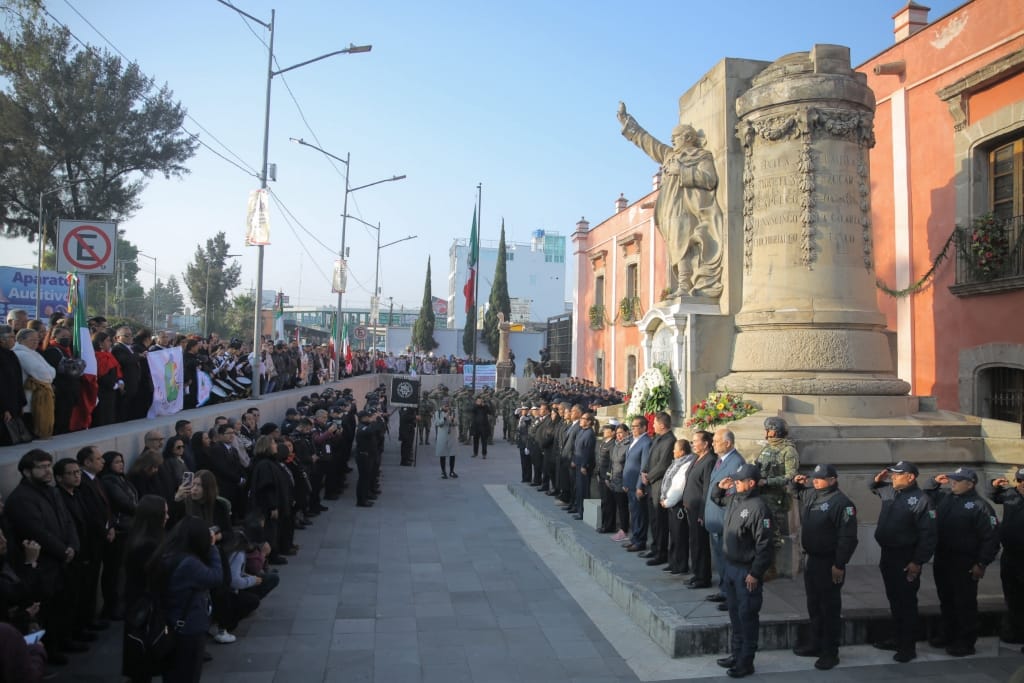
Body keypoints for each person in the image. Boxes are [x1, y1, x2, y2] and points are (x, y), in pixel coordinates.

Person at [617, 102, 724, 298]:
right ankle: (682, 285)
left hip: (686, 210)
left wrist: (682, 171)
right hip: (668, 213)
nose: (672, 139)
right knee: (675, 248)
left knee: (683, 245)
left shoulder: (701, 156)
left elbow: (710, 180)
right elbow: (649, 143)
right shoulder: (668, 156)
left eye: (676, 136)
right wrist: (628, 124)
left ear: (688, 138)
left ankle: (684, 285)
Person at [3, 449, 80, 662]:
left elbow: (67, 520)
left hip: (62, 559)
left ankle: (66, 641)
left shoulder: (52, 491)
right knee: (47, 610)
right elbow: (36, 531)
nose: (47, 470)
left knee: (64, 605)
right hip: (44, 564)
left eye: (49, 465)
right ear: (27, 472)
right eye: (42, 467)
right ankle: (50, 652)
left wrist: (72, 545)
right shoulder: (21, 498)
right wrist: (62, 550)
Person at [788, 464, 859, 670]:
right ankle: (815, 643)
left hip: (829, 562)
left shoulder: (842, 503)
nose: (815, 481)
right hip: (812, 559)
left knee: (829, 608)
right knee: (814, 605)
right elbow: (796, 493)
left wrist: (839, 564)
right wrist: (795, 483)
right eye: (814, 478)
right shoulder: (812, 495)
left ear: (833, 480)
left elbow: (848, 537)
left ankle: (830, 652)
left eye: (820, 478)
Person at [924, 467, 999, 657]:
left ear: (970, 483)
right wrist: (933, 482)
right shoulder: (946, 498)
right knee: (946, 600)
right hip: (943, 558)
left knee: (964, 603)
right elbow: (926, 496)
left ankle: (965, 641)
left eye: (958, 480)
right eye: (952, 480)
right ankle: (948, 635)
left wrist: (981, 563)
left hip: (965, 562)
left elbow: (991, 538)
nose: (953, 483)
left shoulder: (980, 506)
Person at [869, 460, 937, 663]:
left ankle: (908, 647)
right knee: (894, 600)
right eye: (892, 474)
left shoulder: (922, 500)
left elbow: (929, 535)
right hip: (888, 555)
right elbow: (874, 488)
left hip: (906, 557)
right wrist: (876, 480)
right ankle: (897, 638)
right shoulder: (890, 491)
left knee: (906, 602)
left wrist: (918, 561)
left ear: (910, 477)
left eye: (898, 474)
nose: (893, 477)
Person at [711, 463, 773, 679]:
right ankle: (736, 654)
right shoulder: (736, 499)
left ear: (751, 483)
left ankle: (746, 661)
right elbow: (717, 499)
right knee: (735, 615)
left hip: (746, 570)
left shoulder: (758, 508)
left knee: (747, 616)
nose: (735, 483)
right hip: (730, 567)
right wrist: (720, 487)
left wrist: (755, 573)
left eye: (739, 481)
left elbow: (765, 545)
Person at [149, 516, 224, 683]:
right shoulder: (188, 564)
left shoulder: (167, 554)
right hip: (188, 628)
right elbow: (216, 577)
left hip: (171, 622)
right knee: (188, 675)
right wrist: (212, 548)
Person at [122, 495, 168, 683]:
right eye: (164, 513)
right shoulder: (147, 545)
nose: (167, 516)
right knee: (143, 649)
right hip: (145, 604)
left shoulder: (139, 537)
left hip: (139, 601)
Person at [704, 429, 745, 607]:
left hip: (724, 519)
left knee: (728, 560)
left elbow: (733, 494)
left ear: (727, 443)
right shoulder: (721, 461)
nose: (713, 443)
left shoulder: (736, 462)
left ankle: (732, 596)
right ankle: (724, 590)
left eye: (716, 440)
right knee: (720, 559)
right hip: (714, 519)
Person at [755, 416, 799, 575]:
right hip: (761, 496)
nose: (767, 432)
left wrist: (767, 482)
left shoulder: (788, 450)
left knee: (772, 534)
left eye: (769, 429)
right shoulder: (767, 447)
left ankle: (771, 568)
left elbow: (790, 476)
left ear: (777, 431)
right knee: (760, 532)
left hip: (775, 498)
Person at [100, 450, 138, 620]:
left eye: (122, 461)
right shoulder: (108, 481)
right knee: (115, 572)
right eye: (116, 462)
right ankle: (113, 608)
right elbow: (124, 503)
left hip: (129, 528)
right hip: (120, 530)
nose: (121, 464)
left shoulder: (122, 479)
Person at [991, 467, 1024, 650]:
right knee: (1013, 596)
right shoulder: (1010, 494)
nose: (1022, 485)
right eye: (1020, 481)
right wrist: (994, 486)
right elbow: (994, 496)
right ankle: (1016, 632)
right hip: (1011, 555)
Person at [640, 412, 676, 567]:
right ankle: (654, 547)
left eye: (654, 423)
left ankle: (661, 552)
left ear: (662, 425)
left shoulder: (670, 440)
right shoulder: (657, 438)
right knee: (653, 520)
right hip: (651, 483)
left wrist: (649, 476)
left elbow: (663, 464)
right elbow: (650, 458)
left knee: (660, 521)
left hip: (659, 484)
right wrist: (644, 471)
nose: (652, 425)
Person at [683, 430, 716, 589]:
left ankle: (703, 577)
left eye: (696, 441)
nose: (693, 444)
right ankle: (696, 573)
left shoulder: (709, 460)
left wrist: (703, 512)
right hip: (690, 507)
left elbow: (706, 488)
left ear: (705, 443)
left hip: (699, 509)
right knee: (694, 542)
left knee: (700, 543)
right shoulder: (697, 458)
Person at [660, 439, 695, 576]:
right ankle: (673, 562)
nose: (673, 451)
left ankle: (680, 565)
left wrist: (668, 501)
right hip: (670, 503)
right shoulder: (677, 462)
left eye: (675, 449)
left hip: (677, 505)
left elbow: (679, 486)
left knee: (679, 536)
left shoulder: (686, 463)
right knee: (673, 536)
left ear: (682, 451)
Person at [12, 329, 55, 439]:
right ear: (21, 340)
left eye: (37, 339)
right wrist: (48, 376)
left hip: (40, 395)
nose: (36, 342)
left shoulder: (34, 353)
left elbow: (52, 372)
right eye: (32, 340)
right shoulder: (21, 354)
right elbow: (43, 374)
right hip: (30, 398)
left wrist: (48, 376)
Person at [622, 416, 652, 553]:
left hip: (637, 485)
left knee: (640, 514)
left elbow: (644, 466)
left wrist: (640, 486)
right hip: (630, 483)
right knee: (633, 513)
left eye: (635, 426)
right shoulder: (634, 441)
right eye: (632, 426)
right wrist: (625, 481)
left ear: (644, 427)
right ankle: (634, 538)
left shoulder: (646, 442)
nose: (632, 429)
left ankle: (640, 541)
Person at [0, 325, 27, 447]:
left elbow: (17, 381)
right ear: (2, 339)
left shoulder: (11, 355)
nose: (14, 340)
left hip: (14, 403)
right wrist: (4, 408)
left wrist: (21, 403)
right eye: (11, 337)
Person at [569, 413, 596, 520]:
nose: (581, 420)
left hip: (584, 466)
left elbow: (587, 451)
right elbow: (577, 448)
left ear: (589, 421)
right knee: (579, 489)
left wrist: (584, 465)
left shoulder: (589, 433)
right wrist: (574, 460)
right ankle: (580, 510)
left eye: (583, 418)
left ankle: (584, 512)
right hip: (578, 463)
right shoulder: (581, 431)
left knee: (583, 490)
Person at [608, 423, 632, 543]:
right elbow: (612, 463)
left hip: (623, 481)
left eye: (621, 433)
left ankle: (624, 530)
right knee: (619, 506)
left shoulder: (628, 445)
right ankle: (622, 528)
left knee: (623, 507)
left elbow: (627, 465)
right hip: (615, 479)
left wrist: (625, 482)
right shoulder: (617, 444)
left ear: (627, 432)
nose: (619, 435)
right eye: (617, 433)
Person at [595, 422, 618, 533]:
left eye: (607, 429)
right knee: (604, 501)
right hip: (601, 475)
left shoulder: (612, 444)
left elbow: (611, 463)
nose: (604, 431)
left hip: (607, 478)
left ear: (613, 432)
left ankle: (609, 526)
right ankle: (604, 523)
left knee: (608, 503)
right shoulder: (604, 443)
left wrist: (608, 477)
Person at [434, 401, 457, 480]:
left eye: (448, 406)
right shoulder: (438, 413)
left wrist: (453, 420)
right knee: (442, 453)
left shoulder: (453, 412)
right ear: (442, 406)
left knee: (452, 454)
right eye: (445, 406)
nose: (447, 408)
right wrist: (444, 418)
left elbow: (457, 423)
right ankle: (443, 472)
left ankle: (452, 471)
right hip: (442, 435)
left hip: (451, 435)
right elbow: (437, 423)